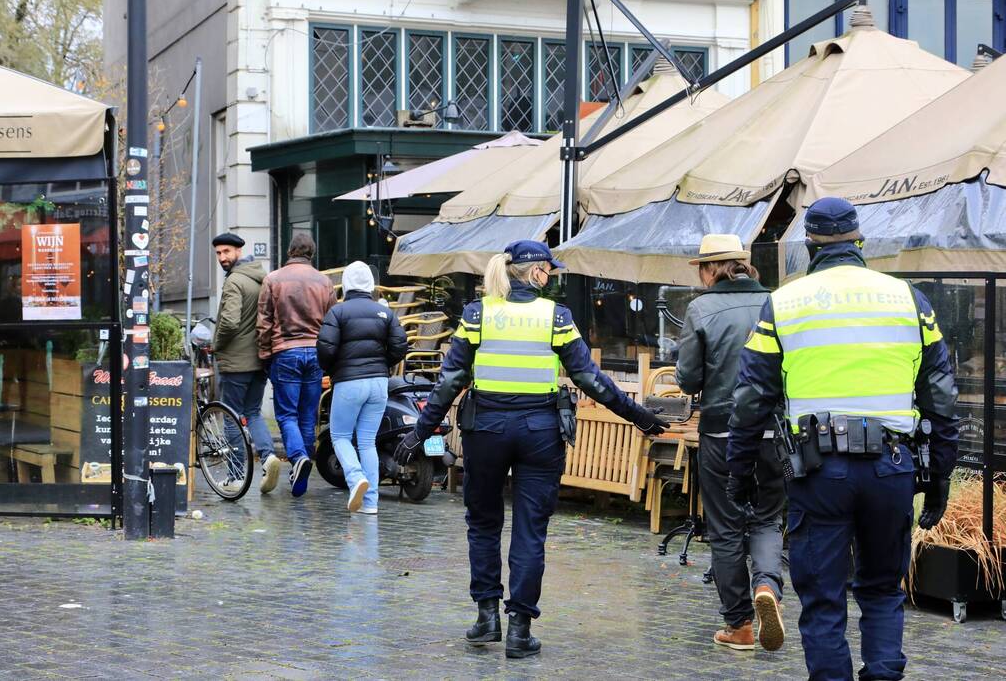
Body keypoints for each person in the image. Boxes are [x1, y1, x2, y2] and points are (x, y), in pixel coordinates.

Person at [393, 240, 666, 659]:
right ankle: (520, 630)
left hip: (486, 429)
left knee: (483, 524)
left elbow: (450, 381)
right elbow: (589, 378)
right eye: (548, 270)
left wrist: (419, 432)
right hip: (540, 431)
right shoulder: (556, 317)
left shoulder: (478, 314)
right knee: (530, 530)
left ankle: (487, 617)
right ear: (536, 271)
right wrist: (638, 416)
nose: (550, 277)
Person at [727, 197, 959, 681]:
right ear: (859, 241)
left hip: (818, 472)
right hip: (890, 466)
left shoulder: (784, 303)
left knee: (823, 599)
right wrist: (940, 475)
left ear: (809, 245)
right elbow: (940, 395)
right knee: (883, 590)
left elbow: (750, 398)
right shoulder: (908, 299)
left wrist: (740, 470)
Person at [674, 234, 785, 652]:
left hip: (722, 431)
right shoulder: (775, 303)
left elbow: (688, 379)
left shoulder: (701, 309)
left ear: (710, 269)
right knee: (767, 519)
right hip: (773, 430)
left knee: (725, 528)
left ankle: (739, 625)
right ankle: (767, 586)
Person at [316, 261, 408, 514]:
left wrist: (333, 369)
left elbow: (325, 349)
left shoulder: (337, 312)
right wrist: (383, 364)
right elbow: (401, 345)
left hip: (348, 382)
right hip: (379, 383)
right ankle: (370, 503)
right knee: (367, 442)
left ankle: (356, 477)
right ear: (370, 284)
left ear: (345, 284)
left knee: (340, 436)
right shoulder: (385, 313)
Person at [257, 233, 337, 497]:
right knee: (307, 415)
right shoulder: (324, 282)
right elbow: (332, 322)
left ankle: (298, 457)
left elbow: (264, 322)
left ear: (290, 251)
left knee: (286, 415)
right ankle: (301, 466)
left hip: (285, 352)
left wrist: (264, 354)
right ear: (311, 253)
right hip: (315, 352)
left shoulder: (273, 279)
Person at [210, 233, 275, 492]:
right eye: (218, 253)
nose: (222, 257)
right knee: (253, 413)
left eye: (226, 251)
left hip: (236, 362)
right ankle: (268, 457)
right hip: (260, 360)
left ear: (239, 251)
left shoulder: (235, 281)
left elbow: (229, 321)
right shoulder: (261, 278)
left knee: (232, 417)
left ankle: (236, 476)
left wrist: (217, 344)